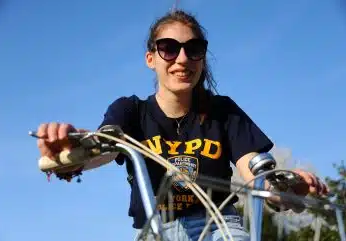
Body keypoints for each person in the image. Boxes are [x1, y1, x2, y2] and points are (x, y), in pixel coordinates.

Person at [35, 10, 329, 241]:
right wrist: (70, 148)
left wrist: (287, 186)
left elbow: (256, 172)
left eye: (194, 48)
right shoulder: (130, 111)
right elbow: (106, 146)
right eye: (169, 48)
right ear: (151, 58)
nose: (183, 58)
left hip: (220, 227)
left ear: (202, 58)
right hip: (156, 230)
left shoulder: (222, 111)